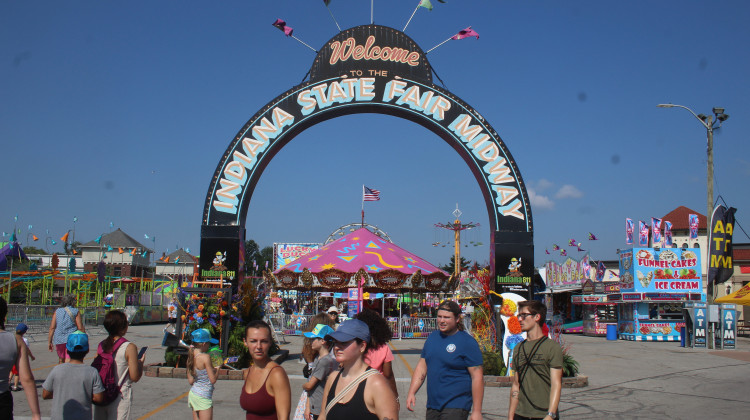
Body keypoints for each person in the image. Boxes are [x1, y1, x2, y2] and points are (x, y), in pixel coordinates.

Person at [406, 300, 483, 420]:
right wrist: (412, 392)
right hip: (433, 405)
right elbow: (422, 367)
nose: (442, 321)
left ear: (457, 319)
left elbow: (477, 377)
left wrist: (477, 411)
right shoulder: (432, 338)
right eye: (439, 316)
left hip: (457, 405)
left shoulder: (467, 342)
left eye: (447, 317)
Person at [319, 319, 398, 420]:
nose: (337, 347)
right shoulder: (332, 378)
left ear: (362, 346)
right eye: (335, 342)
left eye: (343, 342)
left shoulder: (376, 384)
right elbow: (323, 416)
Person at [507, 301, 563, 420]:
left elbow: (556, 384)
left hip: (544, 415)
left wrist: (551, 414)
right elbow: (516, 385)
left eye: (524, 315)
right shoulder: (518, 348)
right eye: (519, 316)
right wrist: (511, 416)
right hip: (521, 414)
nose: (520, 319)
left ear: (537, 317)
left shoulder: (552, 347)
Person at [93, 310, 146, 420]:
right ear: (123, 327)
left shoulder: (102, 345)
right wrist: (140, 363)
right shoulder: (129, 347)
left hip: (102, 392)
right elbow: (134, 377)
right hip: (120, 394)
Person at [42, 331, 105, 420]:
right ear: (87, 350)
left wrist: (62, 393)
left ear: (67, 349)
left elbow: (45, 394)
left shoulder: (57, 369)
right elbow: (98, 398)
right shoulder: (92, 372)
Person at [240, 320, 291, 420]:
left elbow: (284, 417)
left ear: (270, 343)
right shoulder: (249, 372)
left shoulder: (276, 374)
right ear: (245, 342)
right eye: (253, 341)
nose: (258, 346)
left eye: (264, 341)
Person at [1, 297, 41, 420]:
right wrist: (35, 414)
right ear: (5, 316)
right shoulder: (16, 340)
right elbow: (27, 378)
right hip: (2, 400)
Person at [355, 309, 399, 399]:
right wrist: (396, 397)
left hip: (357, 389)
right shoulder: (383, 347)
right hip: (378, 391)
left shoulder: (356, 347)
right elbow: (388, 375)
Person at [302, 324, 337, 420]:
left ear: (323, 341)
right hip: (315, 405)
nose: (311, 342)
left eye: (314, 339)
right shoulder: (318, 358)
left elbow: (309, 385)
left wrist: (303, 386)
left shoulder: (325, 361)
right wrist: (308, 406)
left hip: (321, 407)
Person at [187, 328, 218, 420]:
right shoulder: (205, 357)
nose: (209, 346)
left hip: (194, 395)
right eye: (209, 343)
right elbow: (213, 380)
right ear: (204, 344)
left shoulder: (190, 357)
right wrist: (218, 369)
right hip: (204, 396)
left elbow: (191, 381)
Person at [48, 295, 85, 364]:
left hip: (59, 338)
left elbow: (52, 327)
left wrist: (50, 341)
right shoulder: (75, 311)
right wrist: (84, 338)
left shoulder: (57, 311)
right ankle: (67, 373)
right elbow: (80, 327)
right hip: (71, 338)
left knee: (61, 359)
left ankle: (60, 373)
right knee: (69, 358)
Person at [9, 323, 35, 392]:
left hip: (12, 358)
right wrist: (31, 356)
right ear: (24, 332)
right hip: (19, 359)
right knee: (17, 373)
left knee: (11, 371)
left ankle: (8, 384)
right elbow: (27, 350)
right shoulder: (24, 340)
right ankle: (15, 386)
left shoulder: (12, 338)